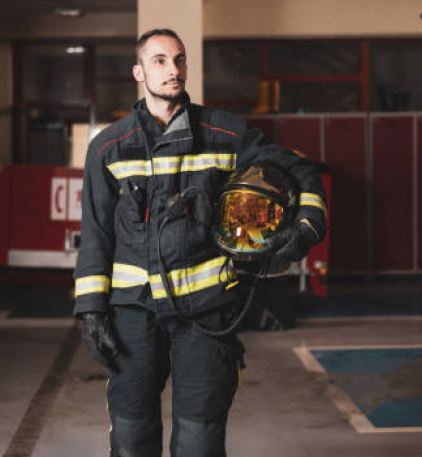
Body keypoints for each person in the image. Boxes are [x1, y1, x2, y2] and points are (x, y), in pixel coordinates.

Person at [73, 28, 327, 456]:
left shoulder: (225, 134)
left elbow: (302, 173)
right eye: (159, 61)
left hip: (207, 313)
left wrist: (306, 229)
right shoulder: (109, 148)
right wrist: (91, 311)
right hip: (133, 313)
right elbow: (96, 234)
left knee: (200, 439)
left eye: (179, 60)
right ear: (139, 71)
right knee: (131, 437)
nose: (173, 70)